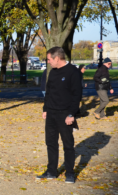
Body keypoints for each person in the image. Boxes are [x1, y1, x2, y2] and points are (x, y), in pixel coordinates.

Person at [37, 47, 82, 184]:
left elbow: (77, 95)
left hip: (65, 114)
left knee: (68, 144)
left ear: (57, 58)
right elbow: (48, 92)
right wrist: (45, 109)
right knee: (50, 143)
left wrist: (71, 114)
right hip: (51, 112)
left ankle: (69, 173)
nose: (48, 62)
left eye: (49, 59)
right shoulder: (52, 72)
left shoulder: (73, 72)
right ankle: (51, 171)